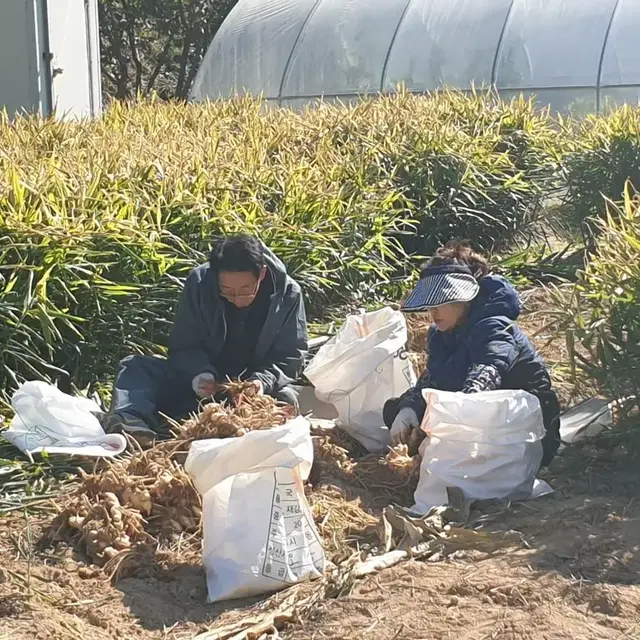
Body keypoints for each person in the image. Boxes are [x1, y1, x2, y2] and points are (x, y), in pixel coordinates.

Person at [103, 234, 308, 441]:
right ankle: (132, 426)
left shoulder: (288, 294)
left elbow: (291, 355)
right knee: (135, 368)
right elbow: (183, 345)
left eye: (245, 291)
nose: (237, 300)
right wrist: (199, 374)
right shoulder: (199, 283)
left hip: (253, 391)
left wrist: (260, 382)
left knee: (287, 399)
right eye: (227, 291)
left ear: (261, 274)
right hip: (202, 386)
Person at [384, 241, 561, 467]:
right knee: (395, 411)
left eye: (442, 301)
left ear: (465, 298)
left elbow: (487, 373)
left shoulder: (493, 326)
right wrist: (409, 408)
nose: (433, 311)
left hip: (522, 427)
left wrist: (449, 417)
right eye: (431, 303)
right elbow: (434, 380)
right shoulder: (442, 333)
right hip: (472, 411)